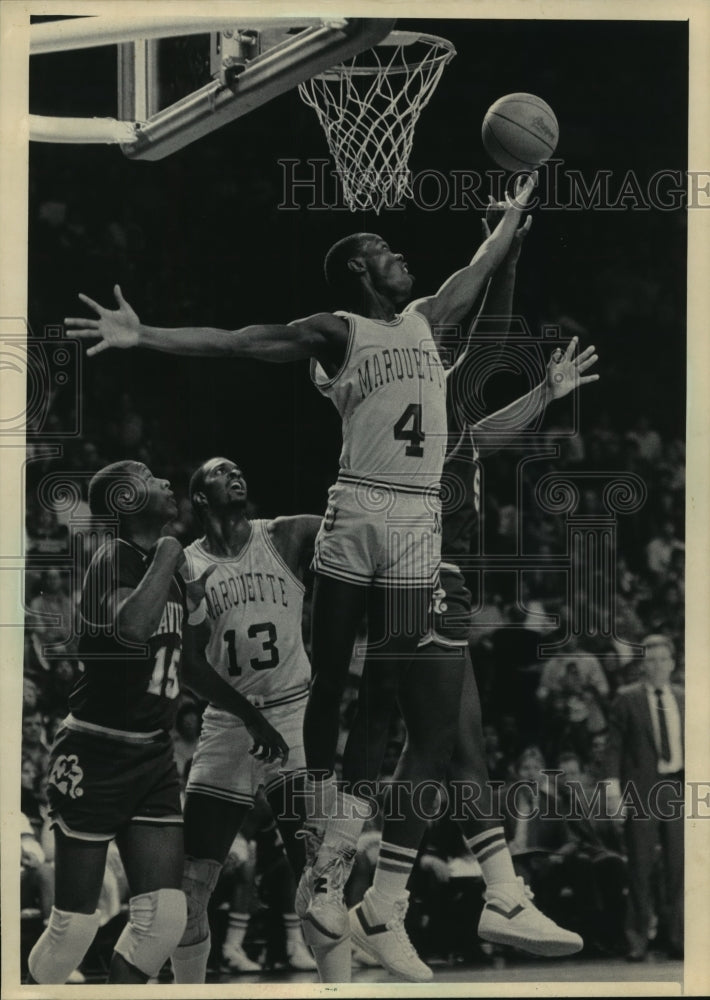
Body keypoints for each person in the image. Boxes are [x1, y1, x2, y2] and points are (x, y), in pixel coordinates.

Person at [67, 173, 539, 981]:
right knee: (333, 688)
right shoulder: (339, 329)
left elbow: (482, 264)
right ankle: (326, 862)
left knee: (394, 700)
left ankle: (343, 882)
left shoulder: (430, 320)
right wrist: (146, 336)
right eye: (384, 252)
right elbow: (241, 341)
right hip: (358, 510)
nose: (400, 260)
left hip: (415, 518)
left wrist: (516, 216)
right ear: (358, 269)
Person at [346, 210, 596, 975]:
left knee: (458, 748)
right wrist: (508, 256)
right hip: (418, 574)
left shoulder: (440, 410)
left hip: (423, 578)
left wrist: (547, 391)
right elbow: (485, 327)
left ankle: (496, 893)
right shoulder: (413, 386)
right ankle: (375, 899)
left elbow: (486, 431)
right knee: (430, 746)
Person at [27, 460, 286, 984]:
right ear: (126, 501)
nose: (168, 482)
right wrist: (170, 555)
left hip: (151, 756)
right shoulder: (113, 558)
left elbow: (191, 665)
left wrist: (250, 713)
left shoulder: (168, 568)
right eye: (149, 478)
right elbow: (130, 628)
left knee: (166, 917)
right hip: (95, 752)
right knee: (72, 930)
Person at [169, 456, 321, 982]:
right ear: (200, 498)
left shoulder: (285, 535)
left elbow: (350, 527)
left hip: (293, 715)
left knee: (317, 880)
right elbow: (191, 666)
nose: (236, 473)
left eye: (238, 468)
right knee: (191, 883)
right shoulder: (186, 566)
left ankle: (339, 984)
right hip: (230, 725)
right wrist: (250, 721)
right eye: (219, 471)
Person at [605, 634, 684, 961]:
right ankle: (636, 939)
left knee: (679, 867)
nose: (657, 665)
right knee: (639, 866)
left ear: (672, 663)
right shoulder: (627, 698)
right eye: (650, 660)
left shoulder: (685, 696)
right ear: (642, 664)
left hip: (680, 788)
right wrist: (612, 788)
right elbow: (614, 747)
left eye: (662, 659)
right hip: (641, 789)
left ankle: (678, 938)